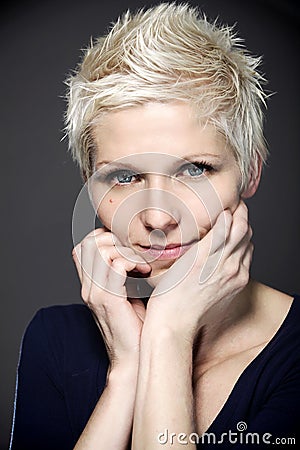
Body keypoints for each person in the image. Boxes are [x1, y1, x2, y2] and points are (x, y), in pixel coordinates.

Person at [10, 3, 300, 449]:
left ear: (251, 173)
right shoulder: (54, 339)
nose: (159, 217)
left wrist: (166, 333)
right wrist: (126, 374)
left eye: (195, 170)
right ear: (90, 189)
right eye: (124, 177)